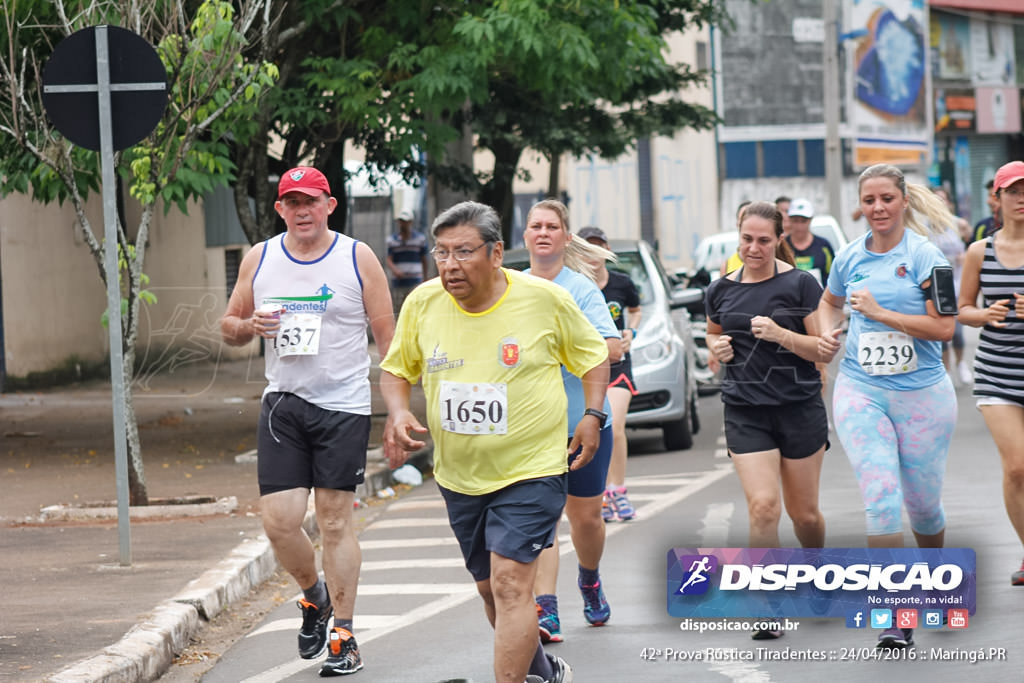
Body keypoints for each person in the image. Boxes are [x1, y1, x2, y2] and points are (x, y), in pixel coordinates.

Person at [380, 200, 609, 683]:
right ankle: (543, 671)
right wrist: (399, 410)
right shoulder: (423, 302)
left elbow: (592, 356)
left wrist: (591, 415)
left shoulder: (544, 299)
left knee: (510, 585)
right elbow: (397, 369)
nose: (450, 265)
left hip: (533, 468)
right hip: (461, 476)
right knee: (490, 590)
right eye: (441, 253)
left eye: (463, 252)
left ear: (497, 252)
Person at [220, 166, 395, 676]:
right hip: (284, 405)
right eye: (291, 201)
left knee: (336, 520)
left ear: (329, 205)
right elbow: (229, 326)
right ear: (279, 209)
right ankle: (313, 596)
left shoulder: (356, 258)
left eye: (310, 200)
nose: (301, 210)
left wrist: (397, 408)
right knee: (278, 521)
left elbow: (389, 340)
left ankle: (343, 634)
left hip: (343, 405)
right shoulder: (262, 257)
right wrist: (247, 325)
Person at [816, 163, 958, 650]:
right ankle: (895, 616)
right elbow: (828, 302)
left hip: (922, 394)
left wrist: (882, 315)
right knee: (880, 503)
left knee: (922, 507)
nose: (877, 208)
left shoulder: (927, 258)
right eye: (869, 200)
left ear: (903, 202)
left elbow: (945, 329)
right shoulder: (849, 256)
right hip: (860, 390)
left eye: (886, 199)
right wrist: (827, 331)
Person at [704, 201, 829, 640]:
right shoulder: (719, 290)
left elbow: (823, 350)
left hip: (798, 407)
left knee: (805, 515)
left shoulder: (800, 284)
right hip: (745, 409)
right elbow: (713, 336)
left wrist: (780, 334)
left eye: (762, 240)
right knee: (762, 507)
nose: (753, 248)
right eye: (746, 239)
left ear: (778, 239)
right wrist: (715, 352)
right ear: (737, 237)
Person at [522, 203, 623, 646]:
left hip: (582, 420)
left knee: (585, 521)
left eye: (552, 227)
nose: (543, 233)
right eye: (535, 226)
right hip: (530, 428)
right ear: (524, 236)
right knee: (542, 521)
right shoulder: (510, 287)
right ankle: (547, 610)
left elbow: (613, 348)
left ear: (565, 237)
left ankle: (589, 576)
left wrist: (559, 348)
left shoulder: (580, 289)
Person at [957, 160, 1024, 586]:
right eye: (1013, 191)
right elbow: (961, 309)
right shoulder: (979, 251)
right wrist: (984, 315)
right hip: (998, 372)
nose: (1022, 198)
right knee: (1017, 467)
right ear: (996, 199)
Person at [578, 226, 643, 523]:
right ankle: (601, 493)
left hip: (617, 364)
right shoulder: (575, 286)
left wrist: (631, 331)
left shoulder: (621, 282)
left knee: (615, 426)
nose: (594, 254)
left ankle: (618, 490)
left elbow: (636, 309)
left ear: (607, 250)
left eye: (599, 247)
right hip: (586, 369)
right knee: (597, 430)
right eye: (587, 248)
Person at [929, 188, 970, 385]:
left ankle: (961, 364)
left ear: (949, 203)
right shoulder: (923, 227)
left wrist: (965, 257)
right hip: (937, 286)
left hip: (958, 283)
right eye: (935, 200)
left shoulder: (958, 224)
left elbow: (973, 246)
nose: (939, 203)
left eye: (942, 199)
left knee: (958, 333)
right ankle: (946, 370)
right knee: (943, 334)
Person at [385, 208, 429, 312]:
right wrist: (395, 270)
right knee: (399, 309)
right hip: (398, 282)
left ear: (410, 222)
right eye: (401, 221)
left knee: (416, 308)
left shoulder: (420, 239)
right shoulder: (392, 240)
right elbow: (388, 259)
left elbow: (424, 259)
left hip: (415, 280)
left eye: (405, 221)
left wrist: (425, 277)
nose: (403, 224)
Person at [784, 198, 835, 286]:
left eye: (803, 221)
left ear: (811, 220)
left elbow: (834, 276)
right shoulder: (782, 245)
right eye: (795, 220)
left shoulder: (824, 246)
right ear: (789, 220)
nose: (799, 226)